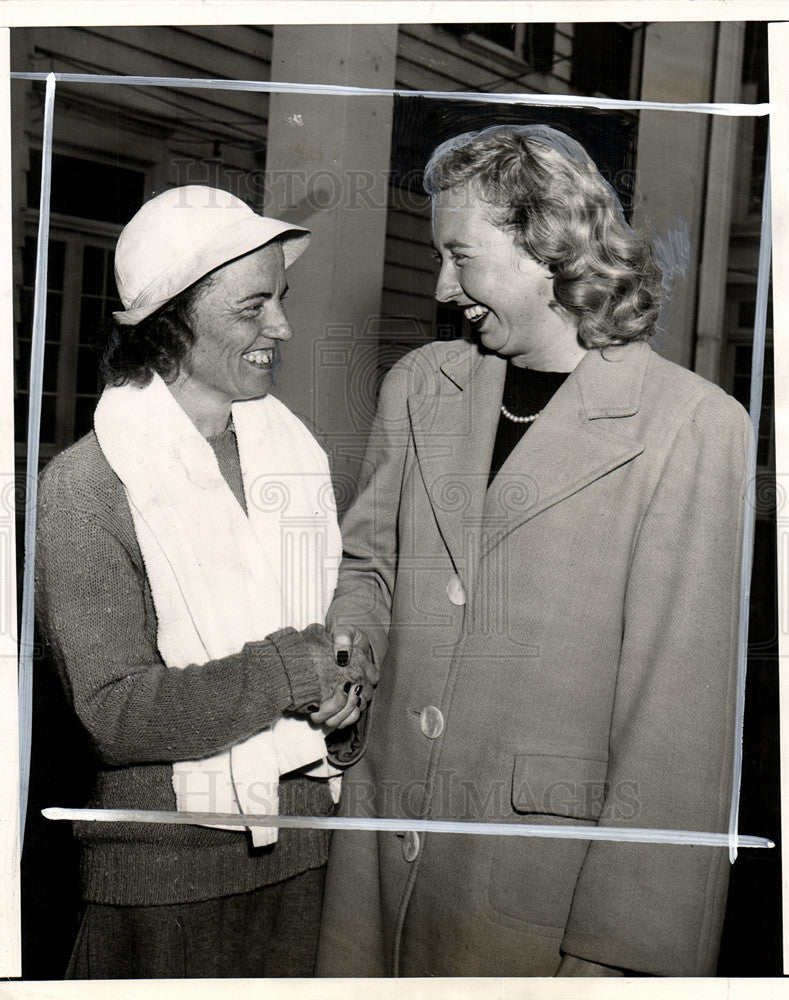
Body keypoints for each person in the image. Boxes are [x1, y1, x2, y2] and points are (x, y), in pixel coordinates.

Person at [316, 124, 751, 977]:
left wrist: (621, 952)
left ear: (545, 247)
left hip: (539, 893)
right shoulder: (419, 385)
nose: (444, 289)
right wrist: (349, 648)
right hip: (378, 848)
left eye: (460, 256)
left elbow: (679, 728)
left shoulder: (693, 428)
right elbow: (368, 563)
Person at [34, 185, 373, 979]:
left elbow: (334, 652)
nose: (281, 328)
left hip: (312, 861)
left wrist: (345, 697)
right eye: (253, 306)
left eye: (280, 301)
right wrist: (294, 670)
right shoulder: (85, 488)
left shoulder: (295, 456)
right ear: (172, 320)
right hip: (164, 889)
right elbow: (115, 714)